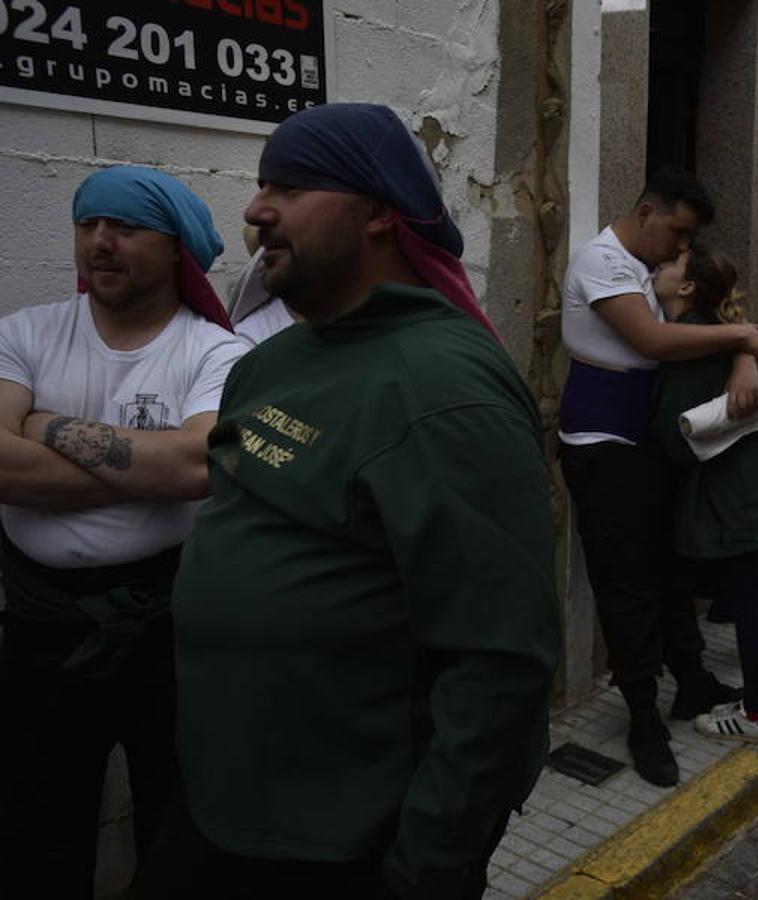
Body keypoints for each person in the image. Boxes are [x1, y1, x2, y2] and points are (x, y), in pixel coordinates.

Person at [137, 103, 558, 900]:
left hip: (339, 844)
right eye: (263, 183)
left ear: (376, 213)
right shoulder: (273, 363)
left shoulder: (445, 393)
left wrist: (426, 866)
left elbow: (501, 666)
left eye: (293, 186)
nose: (258, 209)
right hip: (221, 809)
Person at [0, 166, 247, 900]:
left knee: (175, 815)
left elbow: (196, 466)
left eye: (126, 227)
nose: (100, 243)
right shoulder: (26, 332)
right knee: (34, 823)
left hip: (166, 625)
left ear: (177, 249)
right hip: (41, 627)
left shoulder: (214, 352)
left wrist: (40, 428)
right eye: (88, 225)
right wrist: (151, 468)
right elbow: (175, 467)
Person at [558, 168, 758, 786]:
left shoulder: (652, 267)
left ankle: (691, 682)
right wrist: (745, 336)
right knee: (627, 585)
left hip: (649, 442)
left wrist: (745, 354)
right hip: (602, 443)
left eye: (688, 240)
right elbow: (651, 340)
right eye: (677, 233)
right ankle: (642, 716)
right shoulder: (602, 261)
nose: (681, 250)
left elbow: (709, 309)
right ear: (647, 211)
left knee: (671, 570)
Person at [649, 245, 758, 742]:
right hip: (753, 486)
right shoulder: (718, 337)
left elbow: (676, 438)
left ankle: (757, 715)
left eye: (670, 265)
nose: (658, 267)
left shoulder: (691, 341)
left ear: (689, 287)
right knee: (753, 593)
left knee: (747, 598)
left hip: (733, 494)